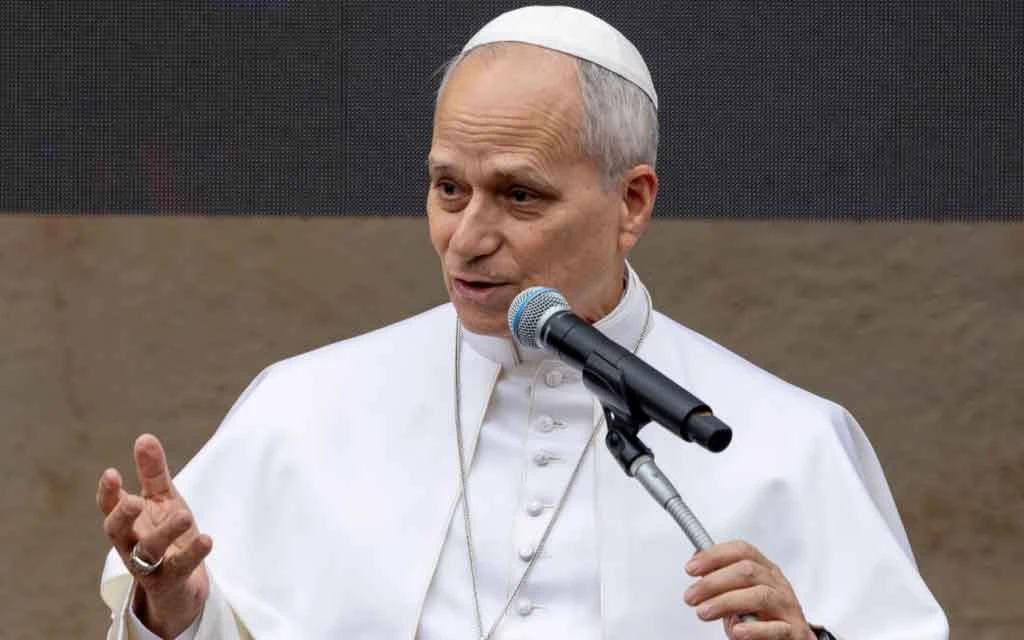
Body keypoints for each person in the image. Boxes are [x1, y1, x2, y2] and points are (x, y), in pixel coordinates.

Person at [97, 6, 948, 639]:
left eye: (519, 195)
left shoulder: (790, 443)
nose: (467, 238)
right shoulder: (300, 409)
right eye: (448, 188)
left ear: (632, 202)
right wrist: (175, 608)